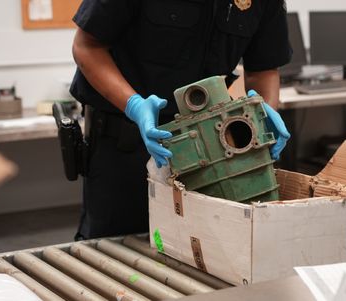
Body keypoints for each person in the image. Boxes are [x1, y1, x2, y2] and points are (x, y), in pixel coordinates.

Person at [70, 0, 292, 240]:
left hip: (212, 154)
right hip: (125, 148)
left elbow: (263, 70)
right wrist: (134, 105)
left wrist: (264, 112)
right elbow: (87, 47)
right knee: (114, 258)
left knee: (211, 253)